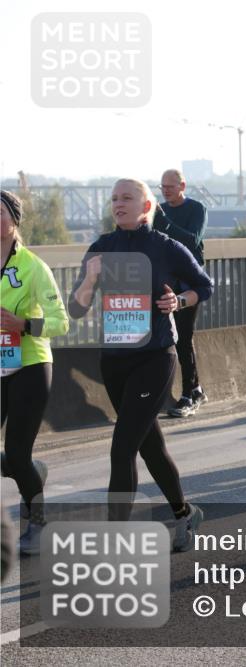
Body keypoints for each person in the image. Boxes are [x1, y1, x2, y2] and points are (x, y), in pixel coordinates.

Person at [68, 178, 213, 550]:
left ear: (146, 206)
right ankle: (184, 513)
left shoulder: (165, 247)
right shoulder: (102, 247)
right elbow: (76, 308)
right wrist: (90, 280)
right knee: (149, 446)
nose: (118, 203)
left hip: (155, 357)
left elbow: (204, 285)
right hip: (115, 361)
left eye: (127, 197)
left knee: (122, 446)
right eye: (114, 198)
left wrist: (178, 302)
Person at [1, 190, 69, 554]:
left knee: (16, 452)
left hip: (30, 364)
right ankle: (28, 470)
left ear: (14, 220)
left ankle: (39, 523)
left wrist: (22, 323)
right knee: (15, 460)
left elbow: (61, 323)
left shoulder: (33, 266)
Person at [153, 169, 209, 418]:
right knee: (166, 338)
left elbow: (191, 240)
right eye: (162, 187)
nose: (166, 191)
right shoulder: (158, 213)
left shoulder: (196, 209)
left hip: (189, 283)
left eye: (170, 186)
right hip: (167, 282)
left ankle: (190, 393)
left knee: (184, 337)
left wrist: (164, 221)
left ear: (182, 185)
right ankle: (194, 388)